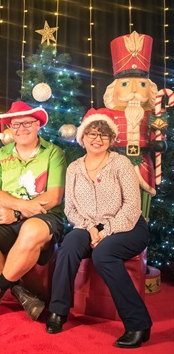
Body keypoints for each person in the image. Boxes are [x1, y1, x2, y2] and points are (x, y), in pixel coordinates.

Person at [46, 108, 152, 349]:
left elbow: (132, 207)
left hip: (128, 226)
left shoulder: (121, 163)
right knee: (68, 247)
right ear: (82, 138)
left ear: (111, 140)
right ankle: (58, 310)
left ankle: (138, 323)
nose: (97, 139)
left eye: (103, 135)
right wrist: (91, 228)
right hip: (89, 225)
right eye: (92, 134)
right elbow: (70, 209)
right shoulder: (74, 168)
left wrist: (105, 232)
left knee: (103, 254)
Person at [0, 101, 66, 321]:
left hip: (44, 217)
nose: (21, 129)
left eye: (27, 123)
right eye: (15, 125)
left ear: (38, 125)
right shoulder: (1, 156)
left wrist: (19, 213)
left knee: (31, 229)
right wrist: (19, 208)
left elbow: (54, 196)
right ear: (9, 129)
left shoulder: (54, 154)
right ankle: (22, 293)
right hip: (7, 214)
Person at [102, 31, 166, 219]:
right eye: (125, 85)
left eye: (141, 85)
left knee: (142, 202)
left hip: (143, 161)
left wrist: (160, 143)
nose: (134, 91)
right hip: (114, 162)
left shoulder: (153, 116)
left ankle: (141, 227)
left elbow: (159, 135)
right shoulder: (106, 115)